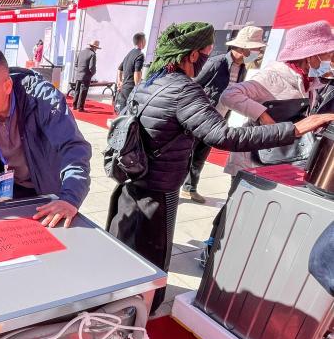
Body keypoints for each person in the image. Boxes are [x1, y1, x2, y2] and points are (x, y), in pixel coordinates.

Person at [105, 21, 334, 314]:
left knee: (127, 247)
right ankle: (136, 312)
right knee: (149, 256)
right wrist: (294, 129)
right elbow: (225, 136)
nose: (209, 58)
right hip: (157, 192)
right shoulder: (184, 89)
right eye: (207, 52)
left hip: (133, 181)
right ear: (192, 55)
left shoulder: (151, 82)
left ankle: (121, 299)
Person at [0, 44, 92, 228]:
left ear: (7, 86)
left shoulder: (43, 100)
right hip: (5, 192)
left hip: (47, 192)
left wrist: (69, 198)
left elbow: (73, 148)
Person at [220, 21, 334, 176]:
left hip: (279, 156)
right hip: (252, 157)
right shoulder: (274, 76)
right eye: (329, 54)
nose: (331, 60)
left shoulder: (310, 82)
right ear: (311, 57)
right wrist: (262, 115)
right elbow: (229, 95)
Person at [181, 25, 267, 203]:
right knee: (185, 154)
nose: (257, 52)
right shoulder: (217, 63)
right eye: (255, 49)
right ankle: (172, 188)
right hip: (200, 117)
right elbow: (192, 85)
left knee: (200, 156)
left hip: (217, 120)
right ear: (243, 48)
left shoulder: (242, 68)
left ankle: (190, 188)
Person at [115, 32, 146, 112]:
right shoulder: (140, 55)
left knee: (122, 110)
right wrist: (137, 87)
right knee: (129, 112)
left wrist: (119, 81)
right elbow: (137, 72)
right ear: (142, 41)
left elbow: (119, 68)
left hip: (124, 87)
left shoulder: (130, 53)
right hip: (131, 88)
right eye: (145, 40)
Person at [72, 40, 99, 112]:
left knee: (77, 90)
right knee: (83, 92)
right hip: (86, 76)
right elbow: (92, 67)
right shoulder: (92, 54)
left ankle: (74, 105)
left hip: (78, 75)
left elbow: (76, 64)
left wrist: (79, 71)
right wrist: (92, 74)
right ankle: (80, 107)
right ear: (94, 47)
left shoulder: (81, 52)